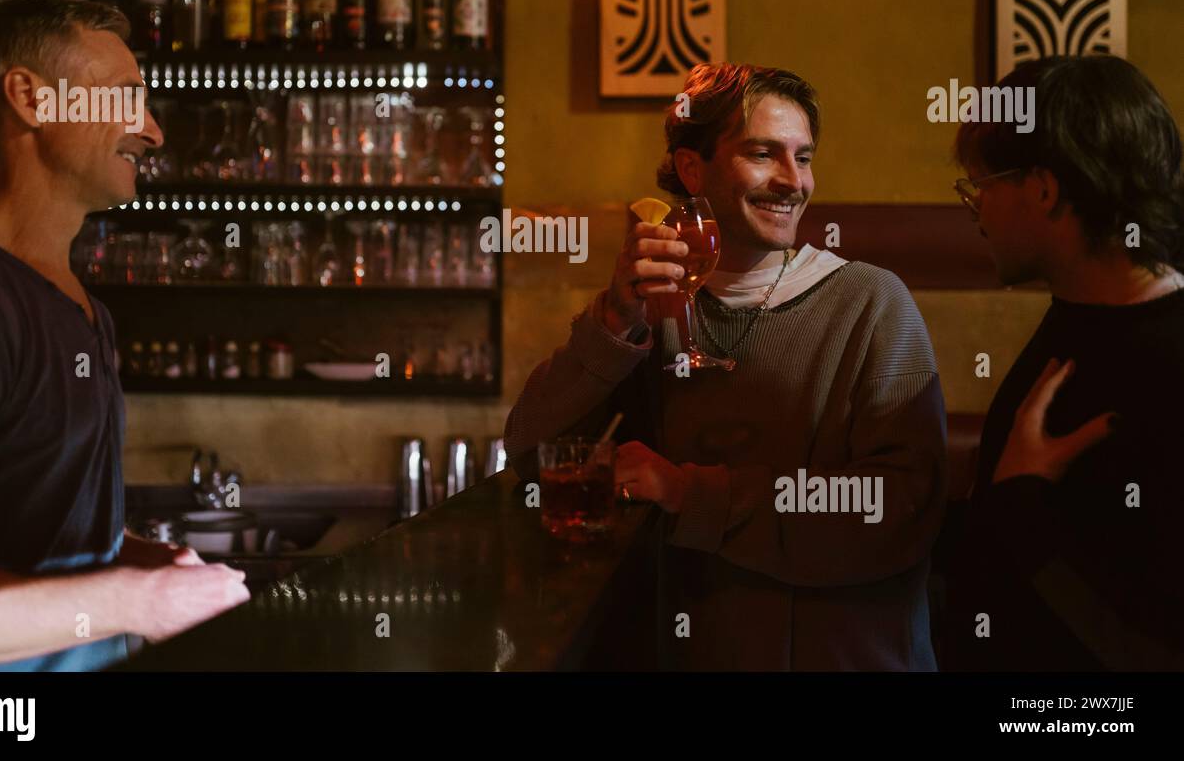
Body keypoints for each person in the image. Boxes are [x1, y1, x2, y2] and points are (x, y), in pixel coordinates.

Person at [504, 62, 948, 670]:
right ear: (693, 169)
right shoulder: (654, 311)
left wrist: (692, 494)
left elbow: (899, 509)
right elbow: (531, 457)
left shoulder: (872, 302)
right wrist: (613, 321)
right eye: (763, 154)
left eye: (804, 158)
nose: (792, 181)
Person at [0, 0, 249, 670]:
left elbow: (22, 533)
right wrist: (136, 601)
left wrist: (133, 556)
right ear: (31, 99)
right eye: (127, 98)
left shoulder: (82, 310)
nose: (153, 132)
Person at [945, 55, 1184, 670]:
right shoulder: (1080, 306)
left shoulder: (1166, 360)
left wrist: (1020, 506)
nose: (975, 210)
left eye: (982, 185)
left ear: (1043, 190)